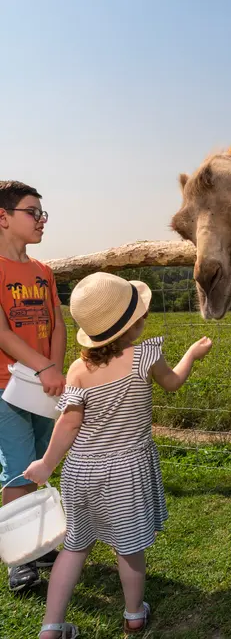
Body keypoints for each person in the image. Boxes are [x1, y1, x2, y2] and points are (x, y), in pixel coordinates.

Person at [24, 272, 212, 638]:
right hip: (126, 472)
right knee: (129, 550)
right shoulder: (145, 356)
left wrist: (47, 463)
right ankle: (133, 615)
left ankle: (50, 627)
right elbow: (173, 382)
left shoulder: (78, 370)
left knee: (74, 549)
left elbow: (68, 424)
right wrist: (192, 353)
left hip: (81, 472)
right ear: (133, 324)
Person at [0, 180, 67, 592]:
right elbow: (2, 332)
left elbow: (57, 322)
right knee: (18, 469)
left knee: (41, 463)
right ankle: (17, 559)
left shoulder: (44, 271)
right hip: (7, 387)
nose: (41, 219)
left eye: (43, 213)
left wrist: (55, 369)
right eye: (32, 212)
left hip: (45, 384)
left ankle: (39, 544)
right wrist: (44, 367)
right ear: (3, 217)